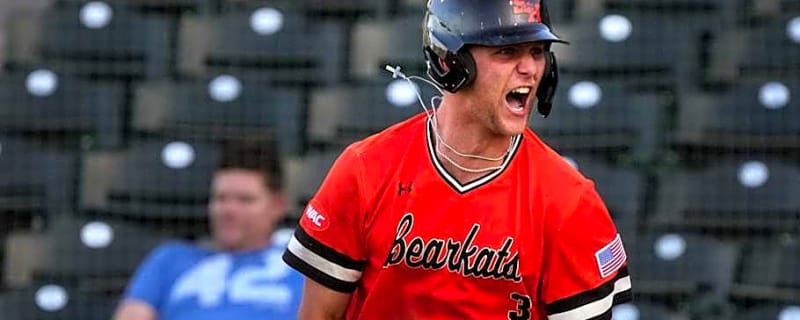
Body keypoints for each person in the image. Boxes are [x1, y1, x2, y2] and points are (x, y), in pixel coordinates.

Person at [282, 0, 632, 319]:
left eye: (538, 51)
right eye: (507, 51)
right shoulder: (366, 169)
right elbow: (319, 314)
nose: (530, 68)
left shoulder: (570, 201)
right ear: (451, 61)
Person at [113, 139, 303, 320]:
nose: (228, 210)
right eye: (220, 198)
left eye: (245, 200)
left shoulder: (300, 268)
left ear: (278, 205)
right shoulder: (170, 260)